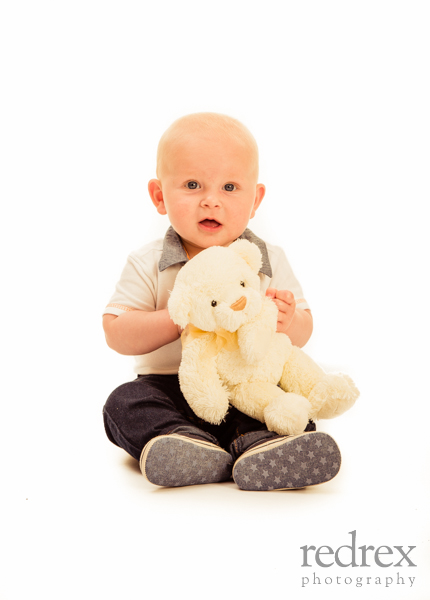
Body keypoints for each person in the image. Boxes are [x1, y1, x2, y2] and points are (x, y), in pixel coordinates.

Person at [102, 112, 342, 491]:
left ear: (256, 199)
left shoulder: (267, 260)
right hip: (169, 388)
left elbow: (303, 329)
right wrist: (179, 316)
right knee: (124, 403)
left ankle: (265, 446)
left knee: (276, 403)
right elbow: (116, 332)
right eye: (193, 185)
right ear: (159, 196)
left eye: (230, 187)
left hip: (246, 384)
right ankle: (183, 444)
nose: (211, 201)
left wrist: (287, 318)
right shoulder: (148, 262)